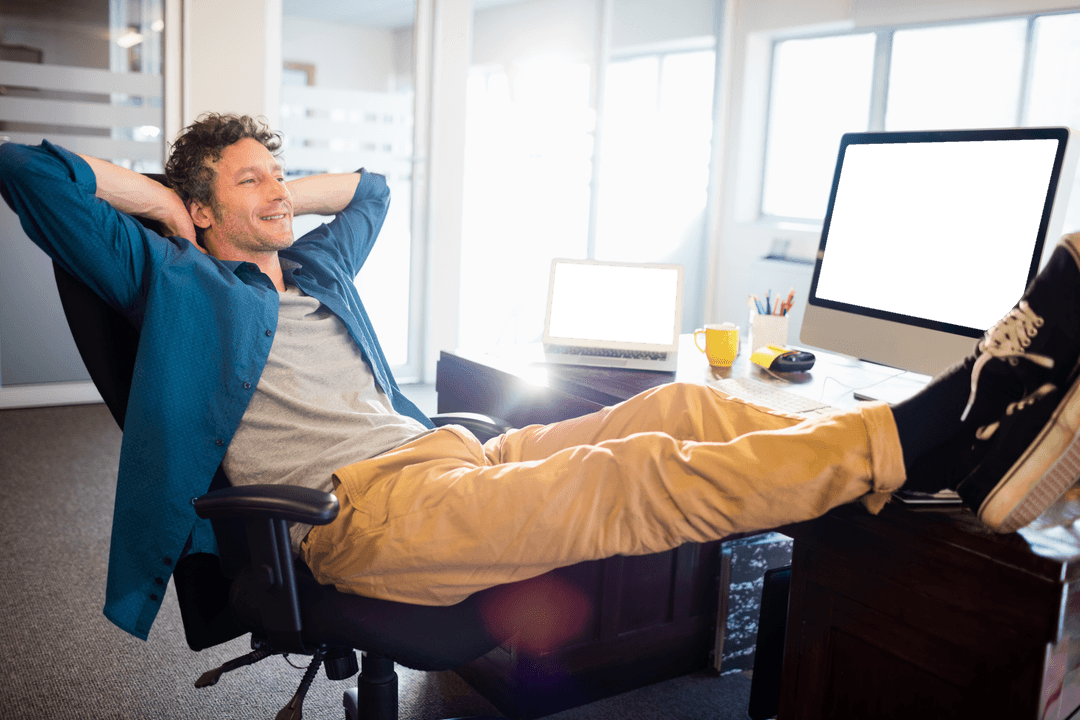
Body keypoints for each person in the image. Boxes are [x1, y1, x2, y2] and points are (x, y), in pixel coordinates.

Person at [2, 114, 1078, 642]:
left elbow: (371, 189)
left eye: (282, 174)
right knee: (638, 472)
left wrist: (269, 194)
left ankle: (936, 460)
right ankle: (940, 428)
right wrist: (169, 206)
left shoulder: (316, 266)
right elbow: (28, 173)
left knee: (686, 402)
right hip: (356, 515)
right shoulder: (173, 278)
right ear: (195, 210)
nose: (285, 192)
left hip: (451, 458)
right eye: (256, 181)